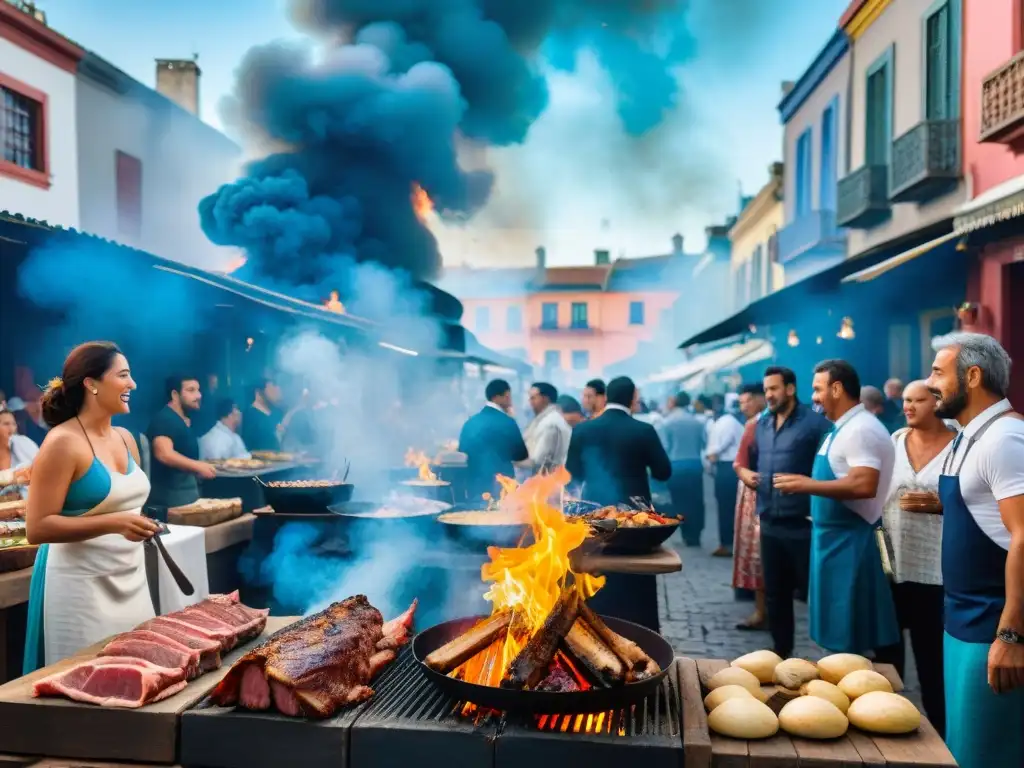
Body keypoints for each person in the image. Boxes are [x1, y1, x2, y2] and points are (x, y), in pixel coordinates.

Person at [22, 342, 162, 672]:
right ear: (91, 383)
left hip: (132, 579)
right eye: (124, 375)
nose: (133, 384)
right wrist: (113, 524)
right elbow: (37, 527)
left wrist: (138, 523)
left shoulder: (127, 438)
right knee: (85, 684)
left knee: (139, 676)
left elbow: (129, 505)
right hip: (79, 588)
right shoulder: (62, 442)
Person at [926, 332, 1024, 768]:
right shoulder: (967, 437)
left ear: (972, 375)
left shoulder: (1005, 437)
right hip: (960, 620)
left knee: (989, 753)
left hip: (992, 625)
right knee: (963, 750)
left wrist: (1012, 635)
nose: (929, 383)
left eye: (937, 373)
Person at [775, 359, 900, 662]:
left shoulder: (860, 429)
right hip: (832, 543)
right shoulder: (840, 428)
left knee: (854, 640)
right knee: (840, 639)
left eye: (817, 390)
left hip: (852, 545)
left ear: (837, 388)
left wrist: (807, 485)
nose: (813, 397)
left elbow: (863, 484)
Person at [882, 380, 955, 736]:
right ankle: (885, 731)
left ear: (937, 402)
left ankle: (942, 737)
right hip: (892, 566)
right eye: (906, 400)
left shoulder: (959, 446)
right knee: (886, 659)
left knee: (933, 665)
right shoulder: (895, 440)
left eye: (918, 400)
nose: (908, 406)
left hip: (937, 572)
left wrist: (943, 505)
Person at [751, 366, 831, 658]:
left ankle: (829, 657)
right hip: (769, 520)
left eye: (773, 388)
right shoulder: (762, 424)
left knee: (814, 593)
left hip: (803, 523)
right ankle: (781, 653)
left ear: (790, 389)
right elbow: (753, 459)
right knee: (775, 594)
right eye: (766, 390)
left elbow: (829, 469)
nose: (769, 395)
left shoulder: (815, 424)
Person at [566, 376, 671, 507]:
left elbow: (572, 474)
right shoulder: (644, 430)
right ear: (633, 398)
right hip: (635, 510)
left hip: (594, 508)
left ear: (606, 397)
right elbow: (663, 472)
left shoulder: (582, 429)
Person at [146, 376, 216, 508]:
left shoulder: (184, 420)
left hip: (186, 496)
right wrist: (198, 466)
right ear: (175, 394)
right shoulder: (165, 419)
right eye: (191, 390)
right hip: (169, 500)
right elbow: (164, 454)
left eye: (198, 390)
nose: (199, 395)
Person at [458, 379, 529, 499]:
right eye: (508, 396)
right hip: (501, 486)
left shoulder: (470, 422)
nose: (510, 400)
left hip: (474, 485)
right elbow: (520, 455)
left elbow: (462, 450)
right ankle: (572, 517)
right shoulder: (508, 422)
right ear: (502, 396)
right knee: (500, 517)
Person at [733, 383, 767, 630]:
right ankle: (762, 609)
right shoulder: (754, 424)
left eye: (746, 401)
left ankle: (763, 611)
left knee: (759, 554)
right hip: (754, 487)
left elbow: (740, 463)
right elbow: (740, 463)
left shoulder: (757, 424)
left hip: (758, 494)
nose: (742, 406)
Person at [660, 392, 706, 547]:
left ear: (674, 403)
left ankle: (685, 533)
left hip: (676, 467)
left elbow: (665, 448)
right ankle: (695, 534)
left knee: (680, 502)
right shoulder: (697, 422)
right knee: (696, 501)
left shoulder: (667, 422)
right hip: (695, 466)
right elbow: (704, 444)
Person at [705, 395, 745, 557]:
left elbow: (722, 445)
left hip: (728, 467)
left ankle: (728, 543)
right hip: (727, 467)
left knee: (727, 507)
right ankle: (729, 542)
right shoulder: (728, 421)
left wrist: (713, 454)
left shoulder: (727, 422)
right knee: (727, 506)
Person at [519, 382, 571, 473]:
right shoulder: (547, 420)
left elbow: (538, 460)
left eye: (533, 398)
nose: (530, 403)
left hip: (547, 482)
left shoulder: (550, 423)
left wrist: (510, 461)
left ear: (545, 399)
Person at [0, 407, 38, 497]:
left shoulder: (24, 443)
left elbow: (39, 466)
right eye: (6, 424)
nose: (11, 428)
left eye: (14, 424)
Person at [241, 379, 284, 451]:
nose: (277, 391)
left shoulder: (273, 415)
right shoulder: (251, 417)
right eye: (272, 387)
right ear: (258, 393)